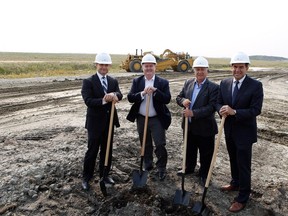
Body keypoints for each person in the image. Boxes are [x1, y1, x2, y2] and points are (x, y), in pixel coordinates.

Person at [216, 52, 264, 212]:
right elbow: (218, 102)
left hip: (245, 132)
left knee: (244, 164)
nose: (237, 70)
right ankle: (235, 183)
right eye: (235, 67)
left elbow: (255, 110)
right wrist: (221, 110)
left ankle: (243, 197)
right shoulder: (224, 83)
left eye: (241, 67)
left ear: (247, 68)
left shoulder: (255, 86)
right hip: (229, 130)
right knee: (233, 159)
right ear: (231, 67)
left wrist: (235, 112)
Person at [81, 52, 123, 191]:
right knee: (92, 150)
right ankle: (87, 177)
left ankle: (104, 175)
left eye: (106, 65)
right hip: (94, 123)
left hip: (109, 122)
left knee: (107, 150)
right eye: (101, 64)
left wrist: (114, 95)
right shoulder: (88, 81)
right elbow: (88, 101)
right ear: (96, 65)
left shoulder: (112, 81)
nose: (104, 67)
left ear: (109, 66)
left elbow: (119, 94)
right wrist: (105, 100)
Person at [126, 53, 171, 181]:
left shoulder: (163, 82)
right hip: (141, 118)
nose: (149, 69)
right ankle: (148, 164)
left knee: (160, 144)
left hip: (157, 118)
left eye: (151, 66)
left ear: (155, 67)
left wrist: (156, 92)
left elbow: (167, 99)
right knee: (145, 144)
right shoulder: (137, 81)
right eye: (146, 66)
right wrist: (143, 93)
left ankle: (161, 168)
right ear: (142, 67)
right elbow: (130, 98)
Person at [176, 56, 219, 186]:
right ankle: (189, 168)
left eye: (202, 69)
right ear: (193, 70)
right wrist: (183, 101)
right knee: (190, 149)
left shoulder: (213, 87)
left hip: (205, 127)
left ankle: (204, 174)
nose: (200, 72)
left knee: (206, 153)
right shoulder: (188, 83)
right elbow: (179, 97)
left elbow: (211, 107)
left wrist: (193, 113)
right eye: (197, 69)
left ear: (207, 70)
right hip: (189, 126)